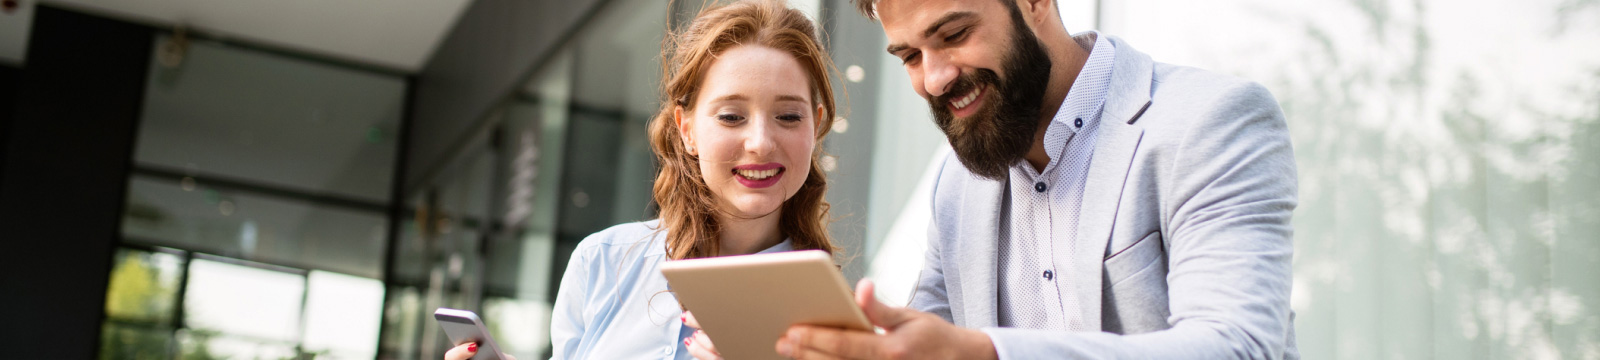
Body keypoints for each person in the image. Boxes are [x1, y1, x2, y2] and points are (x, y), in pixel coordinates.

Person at [724, 0, 1300, 358]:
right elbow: (922, 346)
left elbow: (1237, 347)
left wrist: (983, 354)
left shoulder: (1209, 120)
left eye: (952, 35)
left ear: (1034, 2)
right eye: (909, 56)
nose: (934, 78)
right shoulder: (955, 185)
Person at [442, 0, 844, 359]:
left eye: (789, 117)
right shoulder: (601, 261)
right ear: (686, 129)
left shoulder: (831, 319)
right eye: (731, 116)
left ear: (817, 126)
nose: (760, 142)